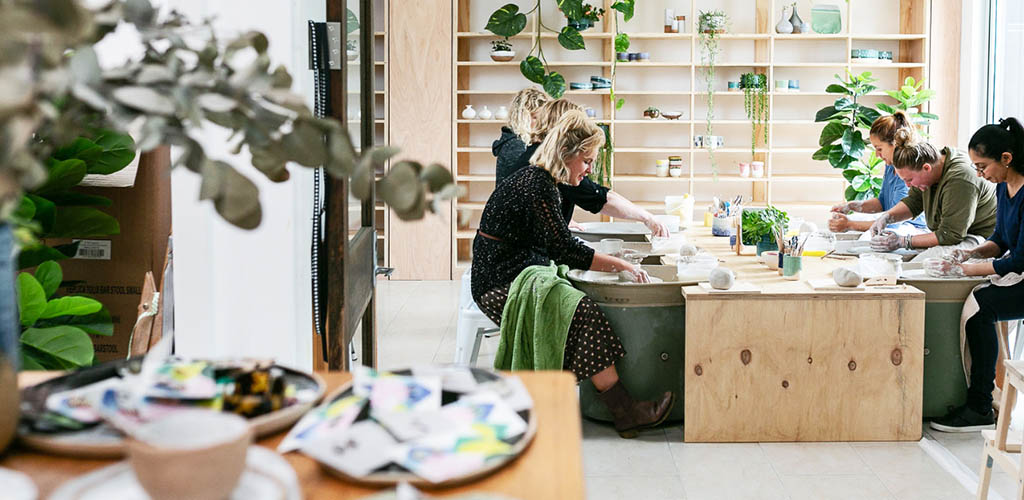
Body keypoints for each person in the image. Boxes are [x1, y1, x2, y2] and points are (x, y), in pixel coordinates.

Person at [472, 110, 674, 438]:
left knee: (577, 307)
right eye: (588, 160)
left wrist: (612, 259)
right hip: (498, 282)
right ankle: (625, 411)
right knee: (580, 313)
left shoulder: (545, 181)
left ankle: (615, 409)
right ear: (566, 154)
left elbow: (560, 240)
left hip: (517, 270)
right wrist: (622, 265)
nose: (590, 169)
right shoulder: (537, 184)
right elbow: (565, 249)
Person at [928, 118, 1024, 432]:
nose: (980, 174)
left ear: (1006, 159)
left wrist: (965, 269)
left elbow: (1018, 261)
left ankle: (981, 404)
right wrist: (970, 253)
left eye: (982, 166)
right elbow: (1000, 241)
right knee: (978, 298)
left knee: (981, 307)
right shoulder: (1003, 188)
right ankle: (979, 400)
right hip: (1016, 268)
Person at [493, 94, 669, 237]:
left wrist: (560, 220)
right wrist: (647, 218)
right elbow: (598, 198)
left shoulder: (534, 153)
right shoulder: (551, 163)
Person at [866, 127, 997, 261]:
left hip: (983, 239)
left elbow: (950, 235)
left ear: (926, 168)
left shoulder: (960, 179)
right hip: (951, 234)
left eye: (909, 180)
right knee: (890, 258)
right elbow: (913, 202)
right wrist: (887, 217)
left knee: (921, 265)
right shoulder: (931, 165)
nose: (908, 185)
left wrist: (902, 241)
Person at [829, 112, 928, 233]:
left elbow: (893, 223)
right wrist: (850, 206)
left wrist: (849, 225)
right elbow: (882, 203)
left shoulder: (907, 174)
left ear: (895, 144)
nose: (877, 154)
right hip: (892, 225)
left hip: (912, 230)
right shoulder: (890, 166)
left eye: (879, 149)